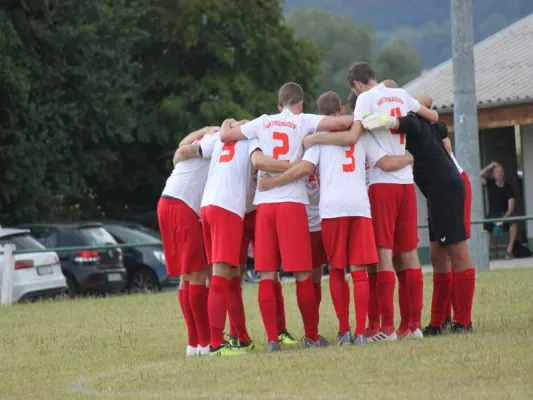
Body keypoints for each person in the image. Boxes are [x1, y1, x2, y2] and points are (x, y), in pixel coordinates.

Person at [258, 91, 414, 345]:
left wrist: (273, 182)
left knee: (338, 271)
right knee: (360, 271)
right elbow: (384, 161)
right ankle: (362, 332)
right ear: (341, 111)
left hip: (332, 209)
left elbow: (304, 169)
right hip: (359, 207)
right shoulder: (361, 134)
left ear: (320, 115)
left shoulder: (317, 141)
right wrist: (408, 157)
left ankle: (344, 331)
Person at [304, 63, 438, 342]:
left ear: (355, 87)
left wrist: (315, 137)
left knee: (384, 256)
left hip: (382, 185)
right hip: (405, 183)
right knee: (410, 254)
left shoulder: (365, 100)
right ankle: (413, 325)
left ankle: (385, 328)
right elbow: (432, 113)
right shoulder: (399, 94)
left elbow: (353, 135)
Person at [220, 82, 353, 351]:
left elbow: (226, 136)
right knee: (304, 274)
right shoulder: (303, 120)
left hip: (265, 206)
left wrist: (225, 124)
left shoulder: (262, 123)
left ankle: (272, 339)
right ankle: (312, 337)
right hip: (292, 203)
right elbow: (342, 124)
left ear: (279, 103)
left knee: (268, 274)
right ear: (300, 103)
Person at [362, 111, 476, 334]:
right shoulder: (408, 121)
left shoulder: (408, 116)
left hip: (447, 187)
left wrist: (392, 119)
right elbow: (438, 124)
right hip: (435, 191)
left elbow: (424, 105)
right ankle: (439, 321)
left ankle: (464, 321)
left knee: (457, 253)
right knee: (437, 256)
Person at [200, 119, 296, 355]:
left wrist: (217, 127)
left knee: (238, 275)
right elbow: (258, 160)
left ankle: (246, 336)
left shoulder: (220, 138)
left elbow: (187, 150)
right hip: (232, 209)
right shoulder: (251, 137)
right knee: (228, 277)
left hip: (216, 206)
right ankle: (219, 343)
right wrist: (292, 165)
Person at [158, 126, 219, 357]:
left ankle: (193, 344)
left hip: (167, 202)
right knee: (197, 275)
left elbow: (180, 149)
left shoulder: (205, 136)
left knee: (186, 276)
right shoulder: (215, 140)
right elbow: (182, 152)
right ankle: (204, 342)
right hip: (182, 205)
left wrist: (202, 130)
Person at [481, 162, 517, 259]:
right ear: (493, 174)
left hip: (505, 215)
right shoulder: (490, 183)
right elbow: (478, 175)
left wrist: (502, 220)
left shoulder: (509, 188)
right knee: (484, 228)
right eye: (497, 172)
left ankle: (509, 251)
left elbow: (510, 208)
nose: (500, 174)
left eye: (501, 172)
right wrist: (491, 165)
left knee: (514, 225)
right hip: (492, 215)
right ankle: (489, 252)